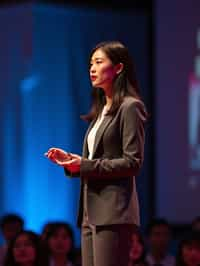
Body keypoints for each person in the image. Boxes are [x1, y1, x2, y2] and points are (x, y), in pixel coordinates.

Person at [45, 41, 147, 266]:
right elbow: (95, 160)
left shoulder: (130, 107)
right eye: (91, 63)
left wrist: (84, 165)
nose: (92, 68)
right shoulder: (101, 110)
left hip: (113, 212)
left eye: (99, 62)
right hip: (90, 211)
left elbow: (132, 162)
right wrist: (71, 161)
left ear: (118, 68)